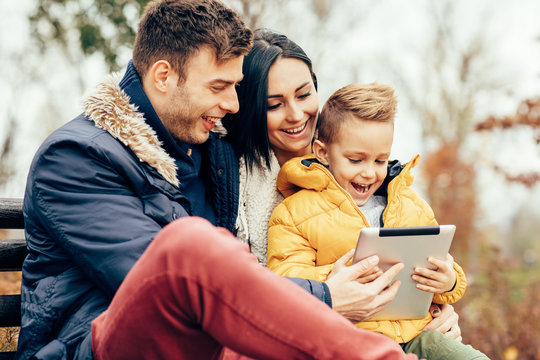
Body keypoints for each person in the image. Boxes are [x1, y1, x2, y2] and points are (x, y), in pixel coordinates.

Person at [17, 1, 421, 359]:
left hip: (214, 344)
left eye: (237, 88)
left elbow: (330, 183)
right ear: (163, 76)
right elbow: (168, 279)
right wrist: (327, 298)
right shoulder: (75, 158)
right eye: (219, 87)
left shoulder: (212, 149)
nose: (231, 104)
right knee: (187, 245)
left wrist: (424, 306)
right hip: (97, 344)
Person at [222, 28, 464, 336]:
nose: (297, 115)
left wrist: (439, 308)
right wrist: (326, 291)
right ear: (252, 108)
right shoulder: (232, 182)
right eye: (275, 104)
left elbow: (415, 264)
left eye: (304, 94)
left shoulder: (352, 157)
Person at [267, 83, 489, 359]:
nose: (370, 173)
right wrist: (334, 279)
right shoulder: (294, 213)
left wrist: (449, 281)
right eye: (356, 160)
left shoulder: (411, 206)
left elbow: (442, 271)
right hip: (349, 339)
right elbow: (282, 282)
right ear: (323, 152)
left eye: (380, 160)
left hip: (417, 335)